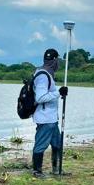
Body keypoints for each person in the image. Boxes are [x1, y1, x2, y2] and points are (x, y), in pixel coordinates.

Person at [31, 48, 68, 178]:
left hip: (52, 118)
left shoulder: (48, 74)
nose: (58, 64)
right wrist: (58, 93)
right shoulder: (43, 76)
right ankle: (37, 171)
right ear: (54, 61)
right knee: (41, 144)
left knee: (57, 144)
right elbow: (40, 98)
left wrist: (59, 93)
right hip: (45, 118)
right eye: (57, 61)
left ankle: (56, 169)